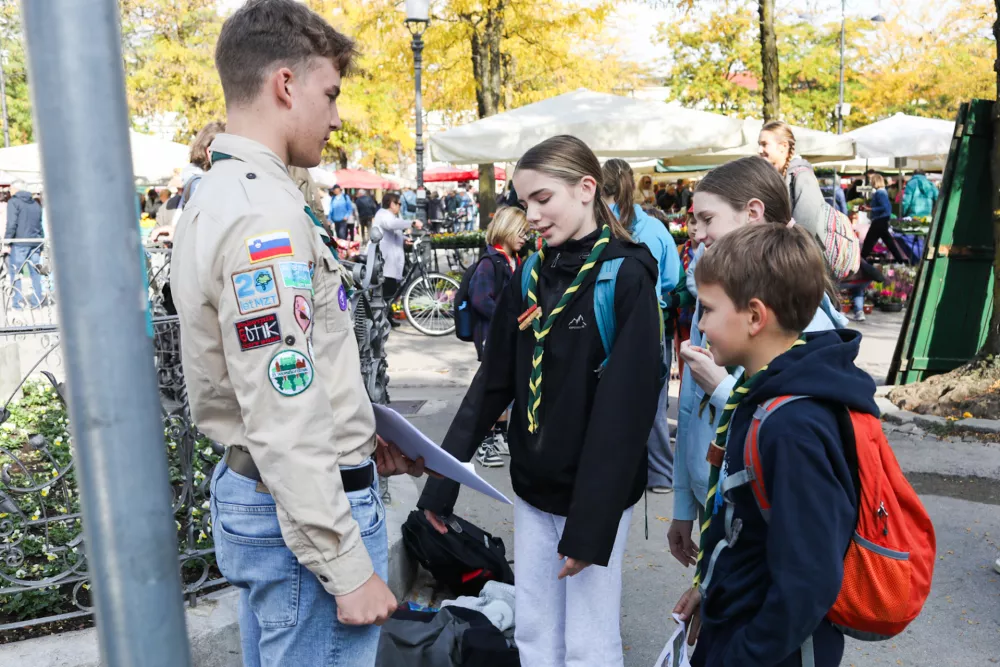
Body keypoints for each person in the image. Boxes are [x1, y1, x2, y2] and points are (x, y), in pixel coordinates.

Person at [168, 2, 432, 664]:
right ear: (285, 84)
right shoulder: (264, 215)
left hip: (281, 500)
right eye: (331, 93)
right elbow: (283, 410)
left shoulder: (231, 192)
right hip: (305, 518)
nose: (338, 116)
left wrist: (359, 438)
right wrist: (346, 566)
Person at [419, 135, 661, 667]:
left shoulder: (626, 276)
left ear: (586, 189)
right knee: (534, 633)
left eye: (542, 199)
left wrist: (590, 524)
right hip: (532, 489)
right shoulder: (530, 273)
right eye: (522, 201)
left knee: (589, 644)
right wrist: (441, 486)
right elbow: (492, 384)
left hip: (592, 496)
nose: (530, 215)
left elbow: (625, 414)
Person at [673, 223, 874, 667]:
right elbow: (747, 531)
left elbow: (809, 578)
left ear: (755, 316)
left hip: (774, 651)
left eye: (706, 310)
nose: (699, 327)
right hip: (742, 623)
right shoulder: (762, 396)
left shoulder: (793, 426)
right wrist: (710, 588)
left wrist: (744, 654)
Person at [668, 156, 846, 585]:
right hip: (719, 500)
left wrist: (723, 388)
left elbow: (792, 427)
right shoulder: (719, 294)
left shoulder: (807, 322)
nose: (699, 233)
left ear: (752, 213)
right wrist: (683, 505)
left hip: (752, 513)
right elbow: (689, 409)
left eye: (707, 218)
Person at [602, 158, 681, 493]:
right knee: (653, 401)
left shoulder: (599, 225)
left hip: (608, 324)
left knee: (609, 399)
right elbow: (674, 279)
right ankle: (661, 474)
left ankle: (614, 471)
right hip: (652, 325)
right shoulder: (656, 229)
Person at [469, 205, 530, 469]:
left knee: (508, 386)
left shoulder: (514, 260)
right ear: (505, 229)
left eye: (526, 233)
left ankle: (500, 436)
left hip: (508, 334)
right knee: (493, 387)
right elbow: (481, 300)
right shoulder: (489, 262)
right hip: (492, 336)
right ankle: (484, 441)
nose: (525, 237)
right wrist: (511, 319)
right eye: (521, 231)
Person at [758, 120, 828, 247]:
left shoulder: (803, 176)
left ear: (783, 146)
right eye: (759, 144)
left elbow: (805, 233)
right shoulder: (777, 178)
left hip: (801, 259)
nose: (759, 150)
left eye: (764, 144)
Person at [373, 192, 422, 304]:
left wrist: (404, 238)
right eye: (398, 204)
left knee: (392, 289)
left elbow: (393, 231)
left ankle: (388, 316)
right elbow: (391, 225)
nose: (400, 206)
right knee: (388, 290)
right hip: (386, 259)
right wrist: (412, 223)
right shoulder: (383, 214)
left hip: (392, 258)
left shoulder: (390, 215)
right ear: (391, 204)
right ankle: (386, 317)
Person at [2, 179, 44, 310]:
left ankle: (17, 302)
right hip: (35, 242)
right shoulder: (35, 204)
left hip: (20, 242)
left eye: (10, 189)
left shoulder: (13, 202)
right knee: (36, 273)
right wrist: (41, 244)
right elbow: (39, 224)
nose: (9, 191)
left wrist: (7, 240)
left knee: (16, 273)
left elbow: (12, 223)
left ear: (15, 189)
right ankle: (37, 301)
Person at [862, 173, 908, 263]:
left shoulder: (880, 193)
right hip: (883, 220)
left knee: (869, 241)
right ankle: (900, 261)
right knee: (888, 242)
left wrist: (870, 208)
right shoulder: (882, 192)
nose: (871, 182)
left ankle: (861, 260)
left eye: (872, 181)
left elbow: (885, 207)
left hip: (879, 220)